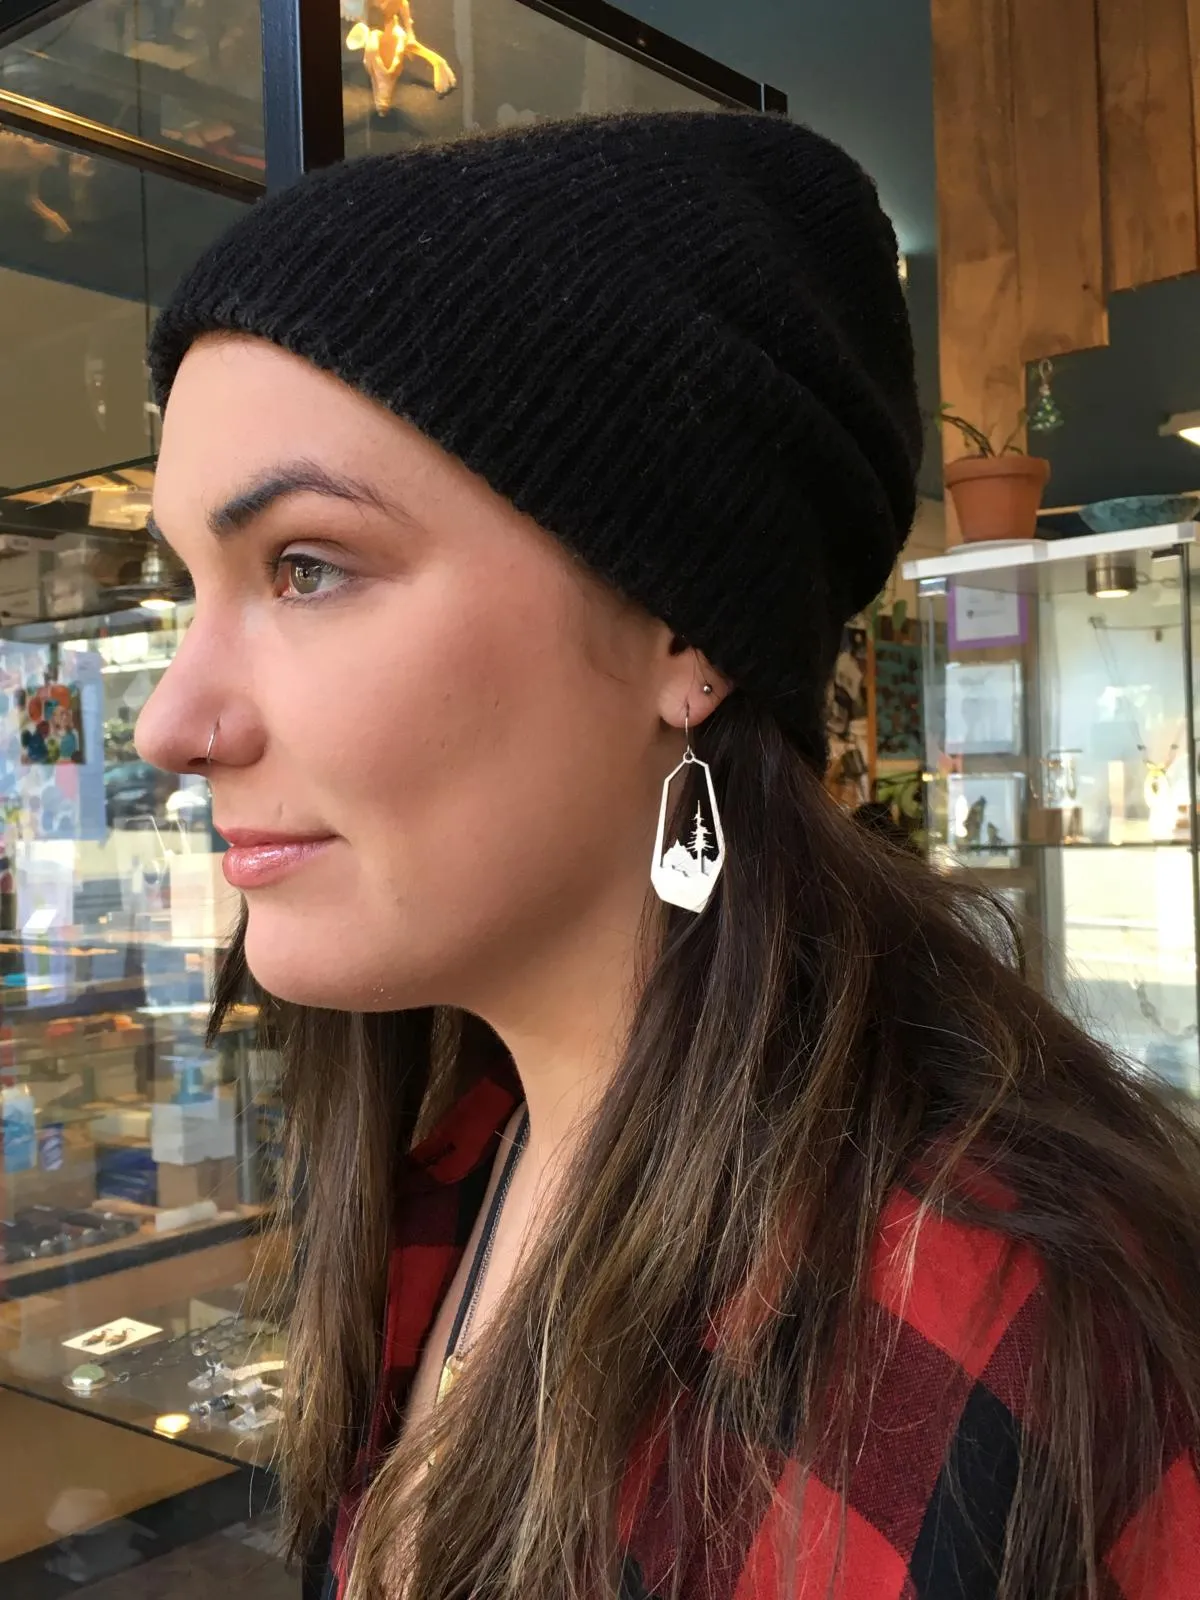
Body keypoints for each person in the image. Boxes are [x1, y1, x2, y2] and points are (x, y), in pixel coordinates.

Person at [135, 112, 1200, 1600]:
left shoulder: (1003, 1341)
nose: (174, 721)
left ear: (683, 632)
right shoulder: (451, 1164)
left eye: (305, 566)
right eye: (188, 583)